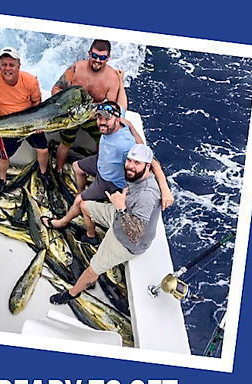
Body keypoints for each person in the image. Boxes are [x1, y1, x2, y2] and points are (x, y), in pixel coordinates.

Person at [42, 102, 174, 240]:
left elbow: (151, 161)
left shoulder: (125, 144)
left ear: (117, 120)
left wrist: (165, 190)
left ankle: (80, 231)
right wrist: (130, 124)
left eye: (107, 119)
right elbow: (121, 101)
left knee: (79, 202)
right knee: (76, 166)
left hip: (110, 180)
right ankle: (81, 191)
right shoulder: (118, 115)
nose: (102, 123)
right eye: (100, 118)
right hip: (102, 162)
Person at [49, 144, 162, 304]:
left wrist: (121, 207)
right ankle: (91, 236)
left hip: (127, 240)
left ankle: (72, 294)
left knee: (93, 269)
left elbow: (136, 234)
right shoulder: (138, 175)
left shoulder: (147, 196)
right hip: (119, 216)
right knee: (84, 205)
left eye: (137, 163)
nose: (130, 166)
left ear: (147, 166)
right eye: (129, 160)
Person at [0, 47, 53, 195]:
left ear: (19, 65)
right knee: (4, 155)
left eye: (11, 65)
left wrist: (38, 124)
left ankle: (44, 174)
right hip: (6, 124)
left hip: (30, 121)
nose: (7, 68)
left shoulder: (31, 81)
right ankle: (2, 180)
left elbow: (37, 104)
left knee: (43, 150)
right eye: (4, 64)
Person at [51, 40, 128, 173]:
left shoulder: (112, 78)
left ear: (108, 58)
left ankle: (99, 171)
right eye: (94, 55)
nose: (97, 60)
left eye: (102, 57)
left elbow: (111, 107)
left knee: (102, 141)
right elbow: (57, 88)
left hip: (93, 117)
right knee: (65, 143)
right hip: (71, 116)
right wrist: (63, 108)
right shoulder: (76, 68)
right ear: (89, 54)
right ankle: (58, 170)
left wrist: (94, 114)